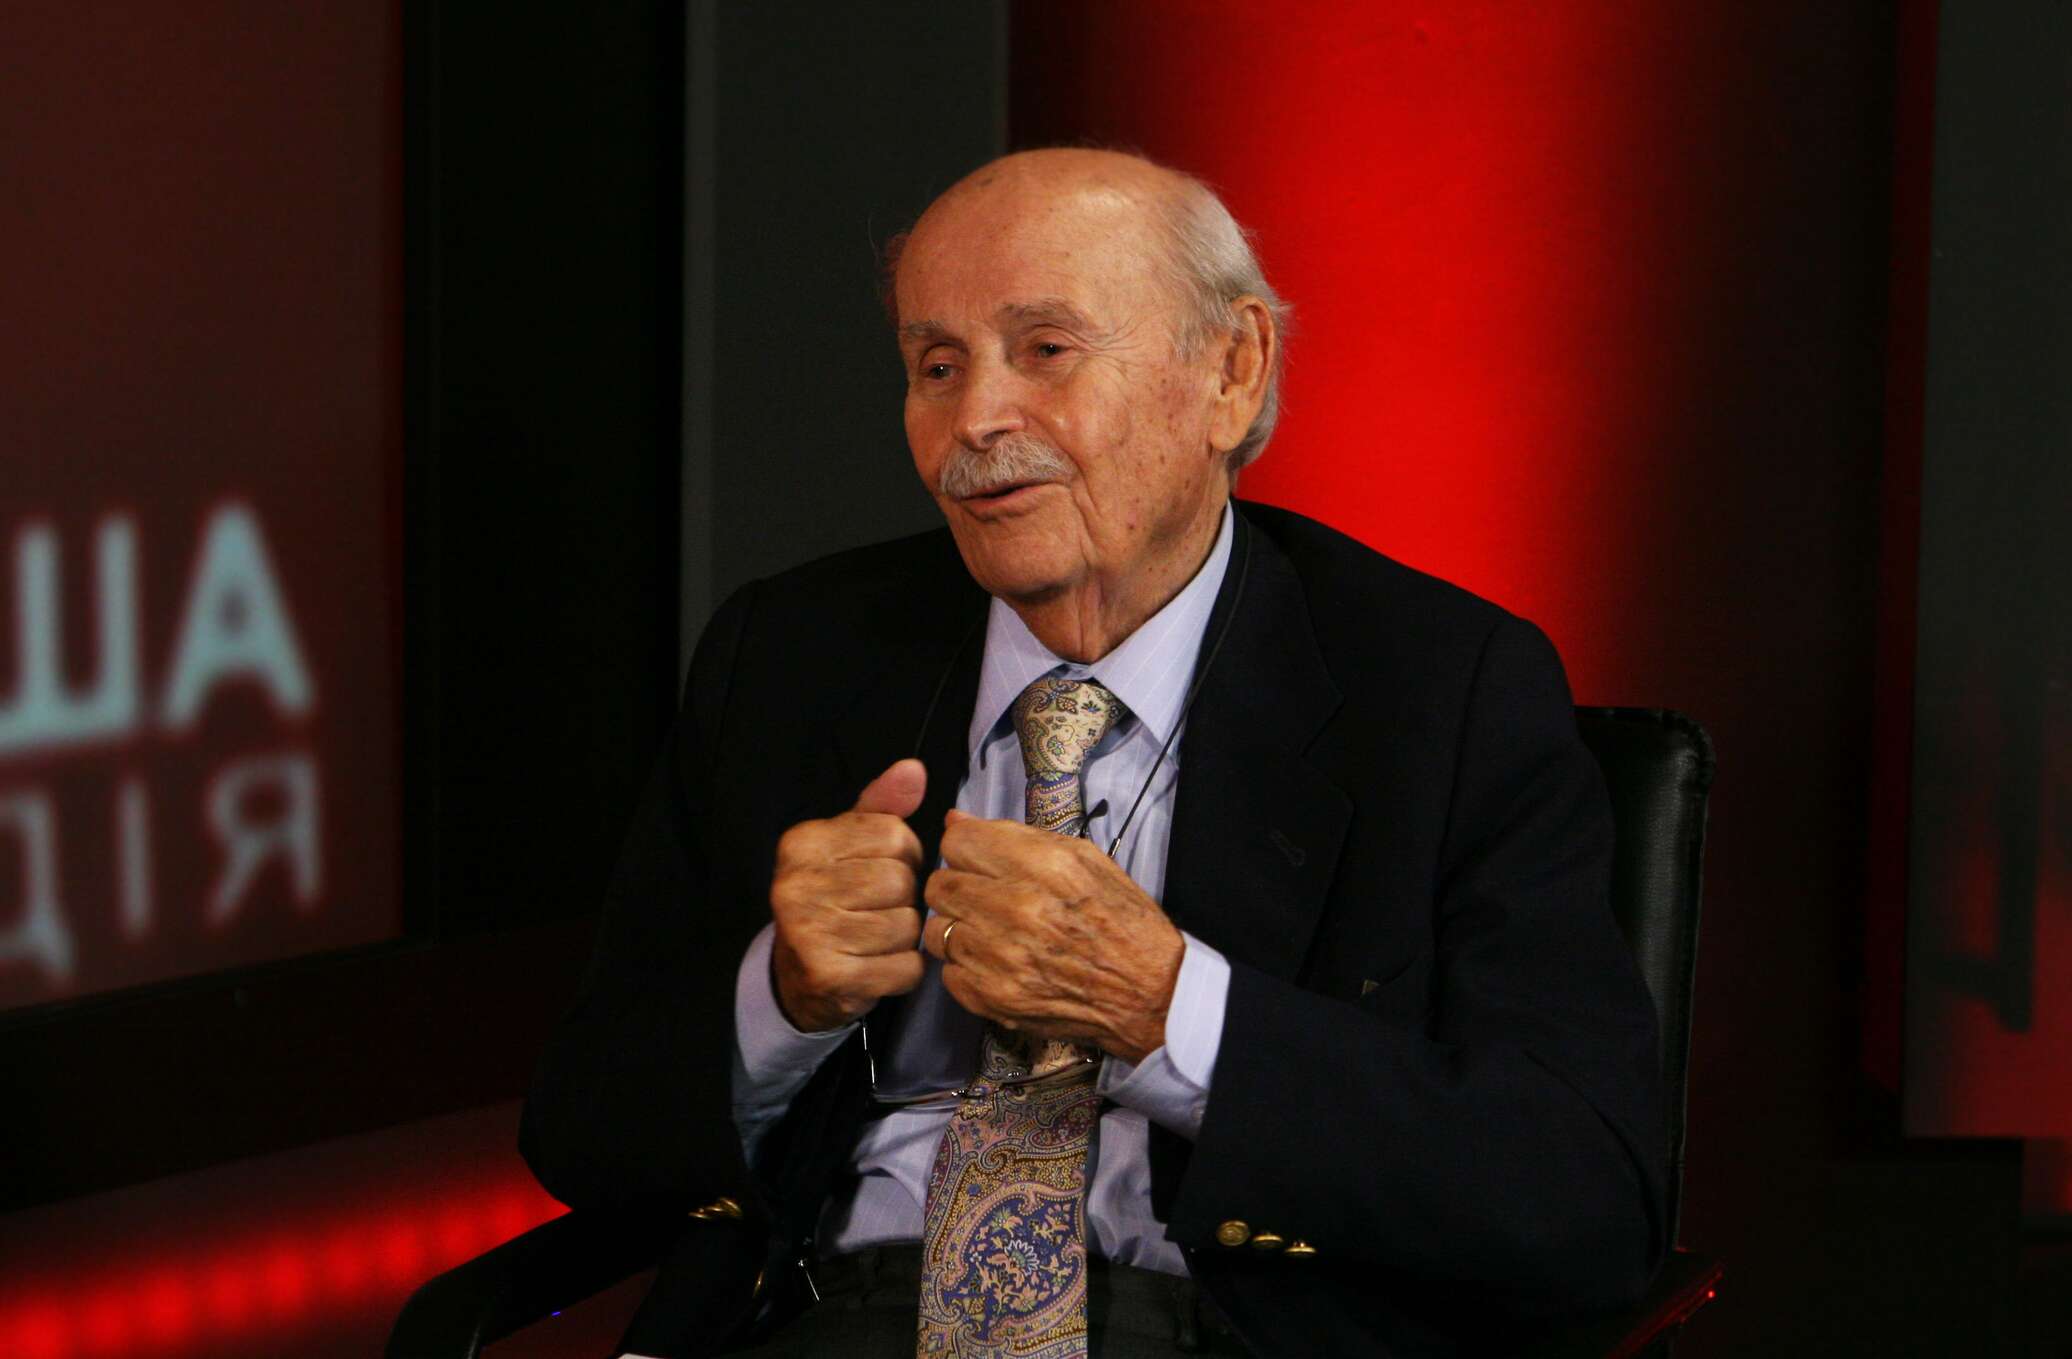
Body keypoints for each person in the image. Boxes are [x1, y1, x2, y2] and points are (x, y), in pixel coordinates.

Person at [520, 148, 1667, 1358]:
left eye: (1045, 350)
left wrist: (1167, 1010)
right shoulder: (789, 656)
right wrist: (782, 996)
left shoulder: (1438, 688)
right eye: (935, 365)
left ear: (1229, 370)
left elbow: (1581, 1204)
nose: (974, 420)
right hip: (837, 1318)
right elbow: (580, 1134)